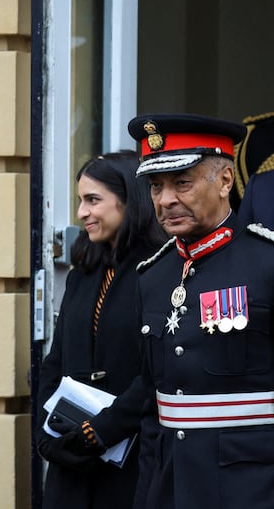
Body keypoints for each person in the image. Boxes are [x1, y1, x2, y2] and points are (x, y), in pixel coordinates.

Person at [128, 113, 274, 509]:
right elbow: (151, 407)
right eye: (156, 186)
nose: (165, 200)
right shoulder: (152, 276)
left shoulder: (266, 263)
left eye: (183, 183)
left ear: (225, 181)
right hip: (170, 487)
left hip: (251, 488)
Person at [36, 152, 168, 509]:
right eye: (81, 201)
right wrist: (46, 430)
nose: (82, 213)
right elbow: (57, 360)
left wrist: (100, 432)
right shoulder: (84, 272)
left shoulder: (160, 271)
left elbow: (155, 372)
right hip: (73, 466)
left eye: (93, 200)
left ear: (130, 201)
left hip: (132, 463)